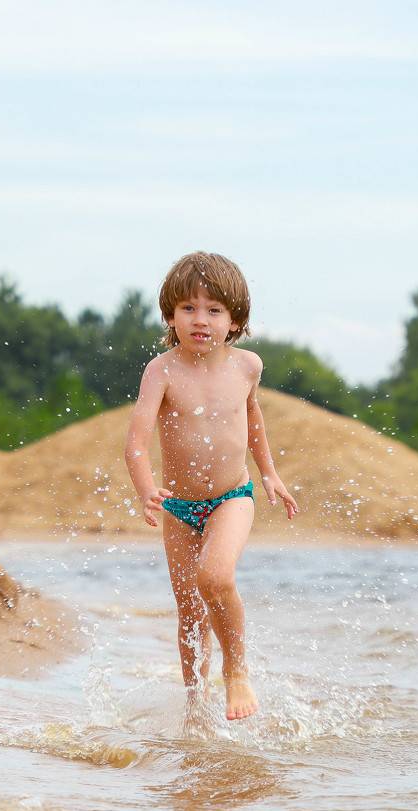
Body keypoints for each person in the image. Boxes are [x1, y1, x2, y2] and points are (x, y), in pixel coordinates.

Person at [124, 251, 297, 722]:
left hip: (232, 497)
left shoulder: (247, 367)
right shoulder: (161, 371)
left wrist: (269, 473)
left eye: (214, 310)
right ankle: (196, 708)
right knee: (190, 611)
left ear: (235, 320)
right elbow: (136, 442)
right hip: (179, 507)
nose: (200, 320)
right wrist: (146, 490)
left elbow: (253, 416)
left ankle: (236, 671)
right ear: (170, 316)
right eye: (188, 308)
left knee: (215, 578)